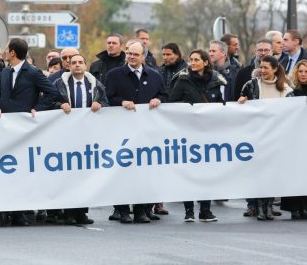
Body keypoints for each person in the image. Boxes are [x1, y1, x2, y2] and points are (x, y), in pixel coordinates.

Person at [0, 38, 60, 227]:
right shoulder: (5, 72)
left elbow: (52, 93)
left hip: (25, 130)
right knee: (4, 171)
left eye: (6, 49)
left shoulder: (33, 72)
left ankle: (21, 212)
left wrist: (38, 108)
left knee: (21, 172)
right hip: (4, 129)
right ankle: (3, 212)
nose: (4, 52)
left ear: (13, 53)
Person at [105, 41, 166, 224]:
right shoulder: (114, 75)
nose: (131, 57)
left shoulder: (154, 76)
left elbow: (164, 94)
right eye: (129, 53)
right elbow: (107, 97)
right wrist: (121, 102)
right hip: (121, 132)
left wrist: (158, 99)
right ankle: (123, 210)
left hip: (146, 132)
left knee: (143, 172)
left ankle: (141, 210)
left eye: (135, 54)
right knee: (122, 172)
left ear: (143, 57)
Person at [49, 54, 108, 225]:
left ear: (85, 65)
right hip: (66, 136)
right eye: (73, 63)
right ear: (68, 66)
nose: (76, 65)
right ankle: (68, 212)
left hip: (88, 137)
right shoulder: (60, 83)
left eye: (80, 62)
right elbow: (48, 101)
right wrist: (60, 105)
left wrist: (101, 104)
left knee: (84, 176)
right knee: (68, 175)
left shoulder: (95, 84)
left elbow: (107, 101)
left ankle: (82, 212)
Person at [169, 49, 226, 223]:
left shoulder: (217, 82)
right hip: (188, 133)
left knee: (206, 173)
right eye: (191, 60)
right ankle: (189, 211)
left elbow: (222, 105)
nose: (192, 63)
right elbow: (171, 102)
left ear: (206, 62)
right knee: (190, 172)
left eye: (196, 60)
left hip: (209, 134)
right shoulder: (183, 80)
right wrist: (188, 106)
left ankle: (205, 210)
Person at [239, 55, 293, 221]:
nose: (262, 71)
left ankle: (268, 206)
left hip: (276, 137)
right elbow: (240, 107)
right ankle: (259, 206)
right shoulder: (251, 85)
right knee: (259, 173)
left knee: (272, 173)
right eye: (261, 67)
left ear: (275, 69)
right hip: (256, 137)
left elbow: (291, 114)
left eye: (266, 68)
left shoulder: (285, 90)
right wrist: (242, 101)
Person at [283, 59, 307, 219]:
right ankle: (295, 207)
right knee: (296, 172)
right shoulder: (292, 93)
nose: (303, 74)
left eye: (306, 71)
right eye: (301, 71)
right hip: (296, 137)